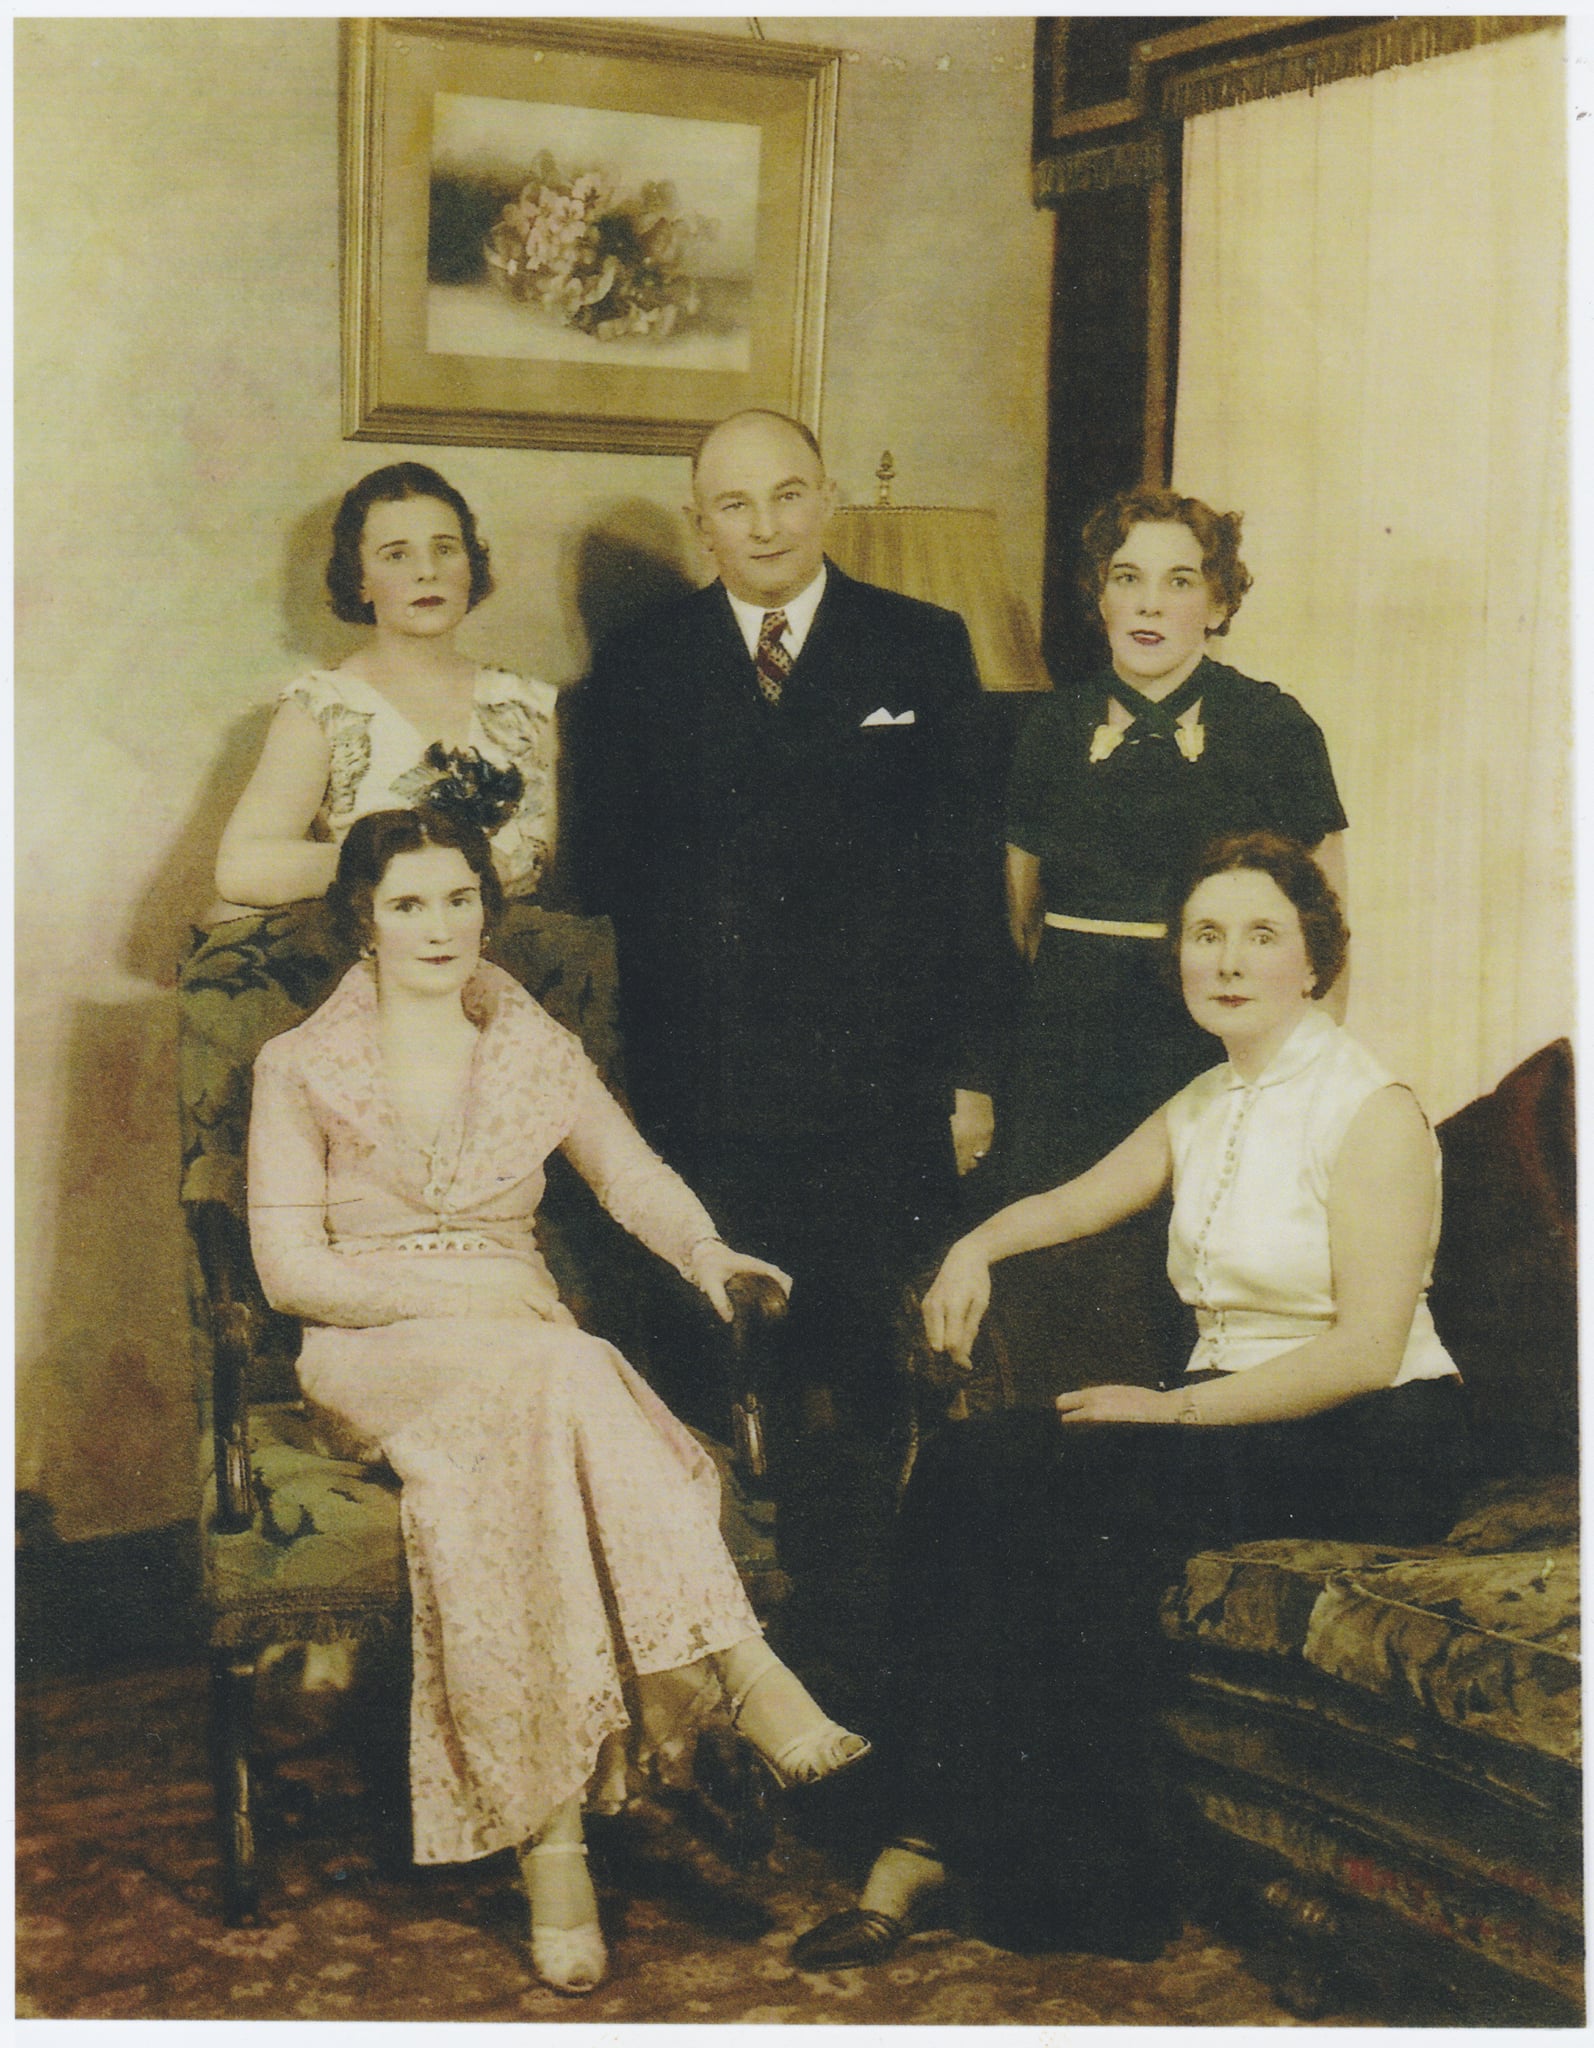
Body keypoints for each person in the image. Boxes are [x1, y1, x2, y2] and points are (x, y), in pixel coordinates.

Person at [789, 833, 1470, 1971]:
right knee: (967, 1464)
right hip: (1234, 1407)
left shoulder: (1369, 1109)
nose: (1228, 959)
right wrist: (973, 1246)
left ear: (1315, 960)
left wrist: (1170, 1410)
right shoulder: (1205, 1098)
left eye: (1262, 934)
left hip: (1374, 1433)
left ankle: (1086, 1887)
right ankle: (919, 1835)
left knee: (1063, 1491)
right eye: (1206, 934)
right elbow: (1074, 1200)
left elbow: (1362, 1352)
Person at [246, 805, 869, 1996]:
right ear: (363, 920)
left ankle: (556, 1849)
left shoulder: (533, 1047)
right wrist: (461, 1299)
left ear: (488, 905)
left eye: (460, 897)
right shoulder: (300, 1063)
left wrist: (708, 1253)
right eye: (409, 903)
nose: (440, 925)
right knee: (570, 1365)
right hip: (376, 1351)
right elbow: (290, 1273)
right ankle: (746, 1672)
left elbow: (632, 1177)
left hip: (522, 1360)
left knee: (539, 1432)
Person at [574, 408, 1004, 1463]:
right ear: (700, 523)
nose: (765, 525)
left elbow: (966, 884)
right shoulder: (639, 665)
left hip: (880, 1095)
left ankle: (863, 1573)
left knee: (869, 1388)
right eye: (735, 504)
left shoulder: (922, 643)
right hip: (705, 1092)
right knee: (715, 1382)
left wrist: (972, 1076)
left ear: (828, 499)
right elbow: (608, 890)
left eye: (787, 495)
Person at [1000, 486, 1349, 1200]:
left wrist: (1293, 1085)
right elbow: (1018, 916)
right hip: (1067, 1060)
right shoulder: (1049, 729)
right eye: (1127, 578)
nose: (1150, 605)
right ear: (1101, 598)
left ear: (1218, 605)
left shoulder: (1275, 728)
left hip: (1213, 1049)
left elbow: (1327, 932)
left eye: (1180, 582)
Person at [213, 463, 557, 919]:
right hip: (378, 953)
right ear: (360, 580)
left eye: (445, 549)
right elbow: (242, 867)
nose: (428, 571)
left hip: (522, 949)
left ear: (471, 566)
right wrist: (411, 860)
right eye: (397, 555)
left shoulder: (531, 705)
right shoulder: (325, 706)